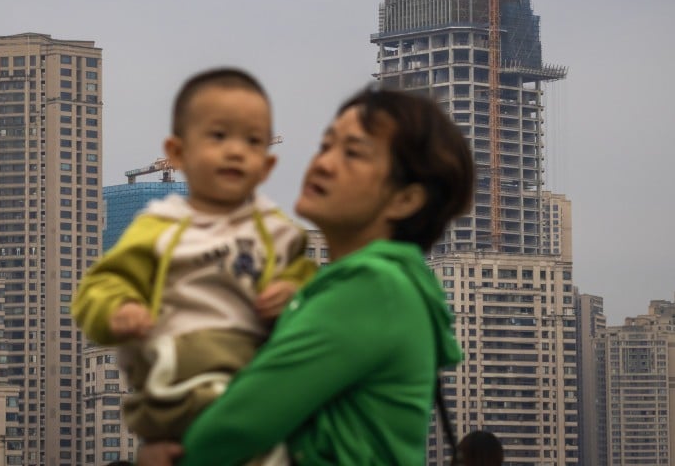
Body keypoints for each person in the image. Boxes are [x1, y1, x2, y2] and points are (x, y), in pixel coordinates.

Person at [140, 86, 475, 466]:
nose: (324, 163)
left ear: (406, 199)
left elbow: (237, 426)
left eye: (353, 153)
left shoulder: (373, 287)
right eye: (325, 145)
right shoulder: (382, 287)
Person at [73, 67, 317, 442]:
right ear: (177, 153)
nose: (233, 152)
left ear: (266, 164)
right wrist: (119, 309)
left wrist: (291, 293)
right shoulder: (158, 226)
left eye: (251, 142)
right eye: (217, 138)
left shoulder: (277, 232)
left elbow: (309, 285)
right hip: (173, 405)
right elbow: (101, 284)